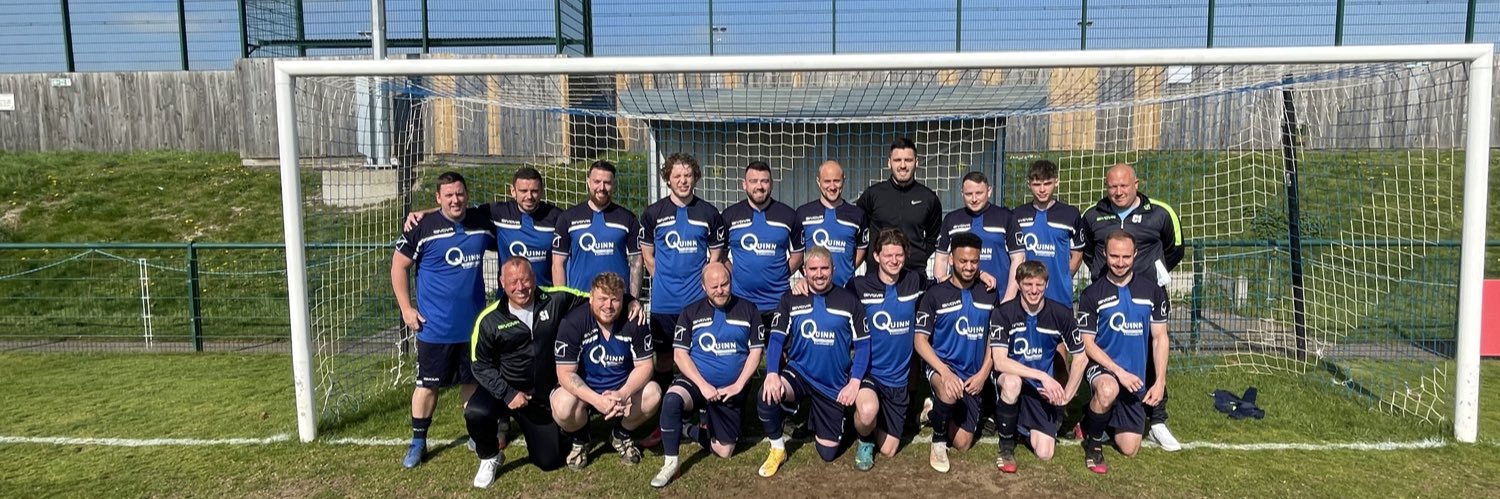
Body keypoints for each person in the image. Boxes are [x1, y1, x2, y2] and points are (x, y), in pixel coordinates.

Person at [390, 171, 496, 469]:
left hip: (473, 328)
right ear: (438, 198)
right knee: (427, 386)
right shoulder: (422, 227)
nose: (455, 200)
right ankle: (418, 440)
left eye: (460, 193)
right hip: (433, 328)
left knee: (471, 382)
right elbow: (399, 266)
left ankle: (475, 434)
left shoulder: (481, 225)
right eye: (448, 195)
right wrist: (406, 309)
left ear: (467, 195)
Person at [1080, 163, 1183, 451]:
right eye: (1112, 186)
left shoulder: (1160, 213)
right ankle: (1099, 413)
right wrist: (1103, 274)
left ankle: (1158, 420)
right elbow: (1088, 251)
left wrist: (1153, 274)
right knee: (1105, 351)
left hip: (1147, 296)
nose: (1118, 191)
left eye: (1124, 185)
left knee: (1151, 355)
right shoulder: (1093, 214)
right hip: (1107, 297)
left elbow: (1176, 247)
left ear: (1136, 184)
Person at [466, 257, 593, 488]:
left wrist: (630, 301)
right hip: (505, 392)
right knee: (475, 412)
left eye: (525, 280)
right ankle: (489, 456)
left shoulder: (556, 299)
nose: (520, 287)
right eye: (513, 282)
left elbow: (595, 300)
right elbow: (479, 364)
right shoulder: (489, 319)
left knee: (549, 461)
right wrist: (507, 393)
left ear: (534, 279)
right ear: (502, 282)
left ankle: (566, 429)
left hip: (539, 400)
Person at [755, 247, 869, 477]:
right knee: (766, 394)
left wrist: (854, 382)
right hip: (800, 373)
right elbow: (776, 338)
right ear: (804, 271)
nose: (819, 274)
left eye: (824, 268)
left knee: (827, 453)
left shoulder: (850, 301)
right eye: (813, 269)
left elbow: (864, 345)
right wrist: (772, 373)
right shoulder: (791, 299)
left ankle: (821, 416)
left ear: (833, 269)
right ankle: (778, 448)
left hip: (832, 383)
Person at [650, 262, 763, 488]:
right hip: (697, 382)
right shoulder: (690, 312)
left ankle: (687, 429)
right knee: (672, 399)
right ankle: (670, 462)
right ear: (703, 287)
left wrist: (738, 385)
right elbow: (680, 355)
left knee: (724, 451)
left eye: (725, 284)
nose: (720, 290)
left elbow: (756, 352)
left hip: (729, 389)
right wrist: (702, 385)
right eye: (714, 286)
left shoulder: (749, 309)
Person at [1077, 232, 1170, 474]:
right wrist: (1118, 372)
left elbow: (1160, 337)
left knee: (1129, 448)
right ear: (1105, 255)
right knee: (1108, 390)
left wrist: (1160, 381)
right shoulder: (1091, 294)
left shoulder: (1152, 292)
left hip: (1134, 377)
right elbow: (1087, 344)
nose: (1120, 262)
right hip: (1104, 368)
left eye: (1126, 256)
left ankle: (1093, 416)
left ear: (1135, 255)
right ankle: (1094, 445)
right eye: (1114, 256)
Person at [640, 152, 727, 402]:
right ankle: (666, 406)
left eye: (688, 175)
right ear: (668, 178)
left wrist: (699, 286)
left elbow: (715, 258)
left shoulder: (709, 213)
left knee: (698, 356)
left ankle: (698, 405)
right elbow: (648, 258)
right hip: (664, 303)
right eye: (677, 175)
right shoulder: (653, 213)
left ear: (695, 178)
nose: (683, 180)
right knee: (665, 357)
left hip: (697, 302)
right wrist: (667, 282)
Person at [552, 272, 661, 469]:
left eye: (615, 300)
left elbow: (645, 366)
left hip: (621, 392)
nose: (608, 306)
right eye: (602, 299)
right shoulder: (573, 322)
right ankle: (581, 438)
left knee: (653, 393)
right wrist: (596, 400)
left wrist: (623, 393)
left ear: (623, 299)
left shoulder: (635, 320)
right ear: (591, 297)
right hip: (586, 392)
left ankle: (620, 435)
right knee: (561, 403)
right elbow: (565, 373)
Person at [989, 260, 1088, 474]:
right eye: (1028, 284)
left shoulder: (1061, 314)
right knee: (1013, 383)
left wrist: (1066, 396)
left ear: (1046, 284)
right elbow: (999, 361)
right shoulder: (1003, 313)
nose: (1034, 290)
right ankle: (1006, 446)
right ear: (1018, 283)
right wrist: (1042, 375)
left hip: (1041, 390)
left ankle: (1019, 426)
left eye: (1039, 285)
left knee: (1045, 453)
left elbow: (1081, 358)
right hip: (1012, 379)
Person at [913, 232, 995, 473]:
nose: (969, 267)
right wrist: (944, 372)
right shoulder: (935, 295)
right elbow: (920, 341)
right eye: (963, 261)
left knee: (963, 444)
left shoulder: (989, 293)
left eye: (974, 262)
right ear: (951, 259)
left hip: (973, 375)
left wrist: (983, 373)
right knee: (948, 390)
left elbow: (994, 339)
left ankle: (934, 410)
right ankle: (938, 442)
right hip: (942, 368)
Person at [848, 229, 927, 471]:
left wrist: (982, 275)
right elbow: (834, 302)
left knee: (890, 450)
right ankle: (864, 437)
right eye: (888, 255)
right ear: (876, 256)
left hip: (898, 381)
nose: (894, 260)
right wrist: (804, 288)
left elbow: (950, 284)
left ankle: (868, 422)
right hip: (869, 373)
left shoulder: (916, 281)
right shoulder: (858, 285)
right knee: (868, 411)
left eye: (899, 255)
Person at [404, 167, 561, 288]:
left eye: (534, 191)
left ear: (541, 191)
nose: (529, 196)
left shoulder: (556, 217)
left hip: (545, 297)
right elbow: (457, 209)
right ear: (513, 191)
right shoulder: (499, 212)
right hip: (509, 300)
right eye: (523, 191)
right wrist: (424, 213)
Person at [722, 161, 804, 328]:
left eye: (764, 181)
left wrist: (781, 274)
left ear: (771, 184)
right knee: (743, 353)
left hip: (778, 300)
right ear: (744, 184)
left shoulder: (788, 215)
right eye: (753, 181)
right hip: (741, 301)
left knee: (781, 352)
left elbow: (798, 254)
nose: (759, 186)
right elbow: (721, 255)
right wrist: (736, 274)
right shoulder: (729, 216)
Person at [553, 160, 643, 295]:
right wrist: (561, 300)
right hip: (579, 299)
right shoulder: (568, 218)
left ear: (614, 185)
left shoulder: (627, 219)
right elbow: (558, 263)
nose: (602, 187)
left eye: (607, 183)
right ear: (588, 182)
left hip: (616, 300)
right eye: (597, 181)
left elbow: (636, 263)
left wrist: (633, 300)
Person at [1004, 160, 1086, 306]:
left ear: (1056, 182)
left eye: (1047, 183)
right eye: (1036, 184)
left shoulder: (1070, 214)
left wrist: (1061, 278)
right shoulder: (1016, 215)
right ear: (1029, 184)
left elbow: (1077, 256)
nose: (1042, 189)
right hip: (1025, 296)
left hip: (1059, 297)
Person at [857, 137, 942, 274]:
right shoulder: (872, 195)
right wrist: (872, 257)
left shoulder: (929, 198)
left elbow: (933, 237)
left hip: (914, 276)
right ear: (889, 163)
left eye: (908, 160)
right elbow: (857, 229)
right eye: (897, 160)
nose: (903, 166)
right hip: (877, 276)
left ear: (916, 163)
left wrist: (917, 257)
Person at [935, 171, 1012, 298]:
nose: (974, 199)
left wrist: (1009, 298)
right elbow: (941, 258)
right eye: (969, 194)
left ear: (989, 191)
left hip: (998, 296)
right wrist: (941, 293)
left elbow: (1018, 259)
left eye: (979, 193)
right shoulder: (951, 219)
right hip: (958, 298)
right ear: (962, 194)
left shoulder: (1006, 217)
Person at [796, 160, 869, 287]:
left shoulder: (857, 215)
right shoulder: (803, 213)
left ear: (844, 180)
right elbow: (797, 252)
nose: (832, 186)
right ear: (818, 181)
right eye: (827, 181)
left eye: (836, 181)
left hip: (846, 289)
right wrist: (809, 276)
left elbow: (862, 249)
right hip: (812, 289)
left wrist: (847, 270)